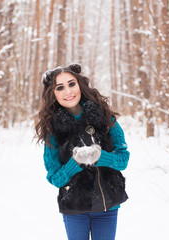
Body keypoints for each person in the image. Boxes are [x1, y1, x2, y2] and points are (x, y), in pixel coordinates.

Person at [35, 63, 130, 240]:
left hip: (107, 205)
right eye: (60, 87)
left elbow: (123, 158)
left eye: (72, 84)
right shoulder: (52, 129)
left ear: (80, 85)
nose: (68, 91)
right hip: (74, 208)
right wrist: (76, 163)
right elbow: (55, 178)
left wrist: (102, 157)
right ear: (53, 93)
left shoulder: (104, 116)